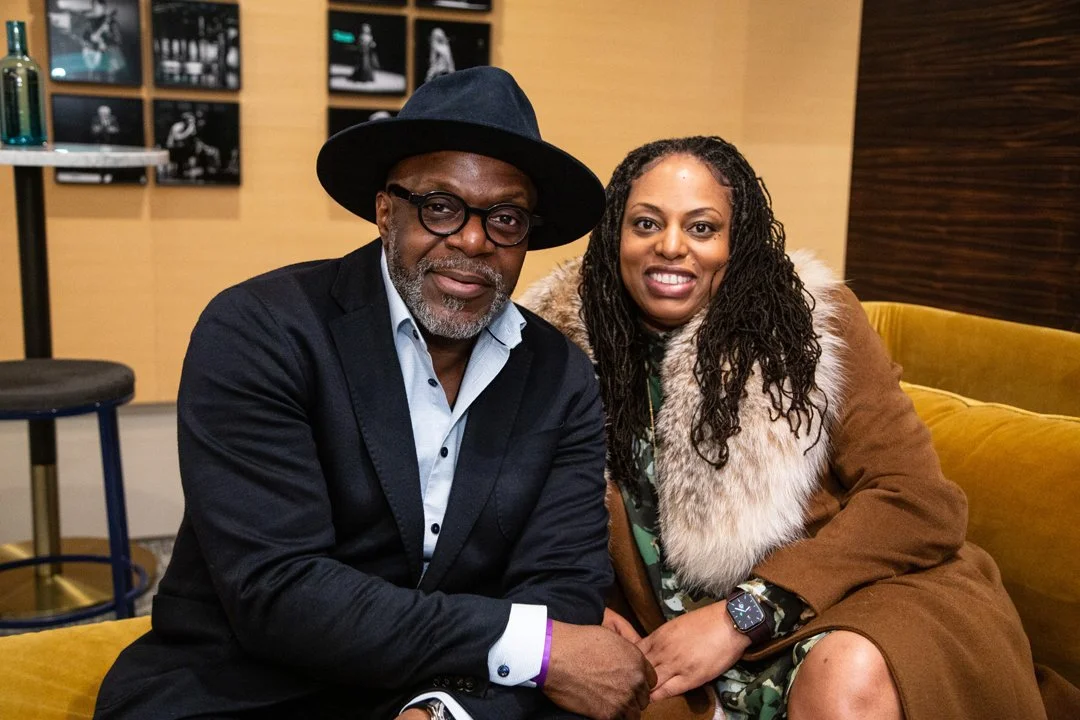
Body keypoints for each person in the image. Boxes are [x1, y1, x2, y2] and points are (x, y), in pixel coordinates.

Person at [95, 67, 655, 720]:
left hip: (459, 687)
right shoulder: (260, 330)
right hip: (246, 683)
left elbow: (562, 583)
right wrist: (528, 645)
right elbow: (279, 591)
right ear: (387, 211)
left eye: (505, 218)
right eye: (440, 206)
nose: (474, 240)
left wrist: (442, 710)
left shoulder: (560, 375)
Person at [520, 135, 1071, 720]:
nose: (672, 246)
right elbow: (522, 516)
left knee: (841, 680)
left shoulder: (809, 325)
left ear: (737, 240)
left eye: (702, 227)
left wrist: (742, 615)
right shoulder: (556, 350)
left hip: (853, 601)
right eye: (647, 223)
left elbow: (919, 502)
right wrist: (581, 607)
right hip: (685, 644)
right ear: (615, 236)